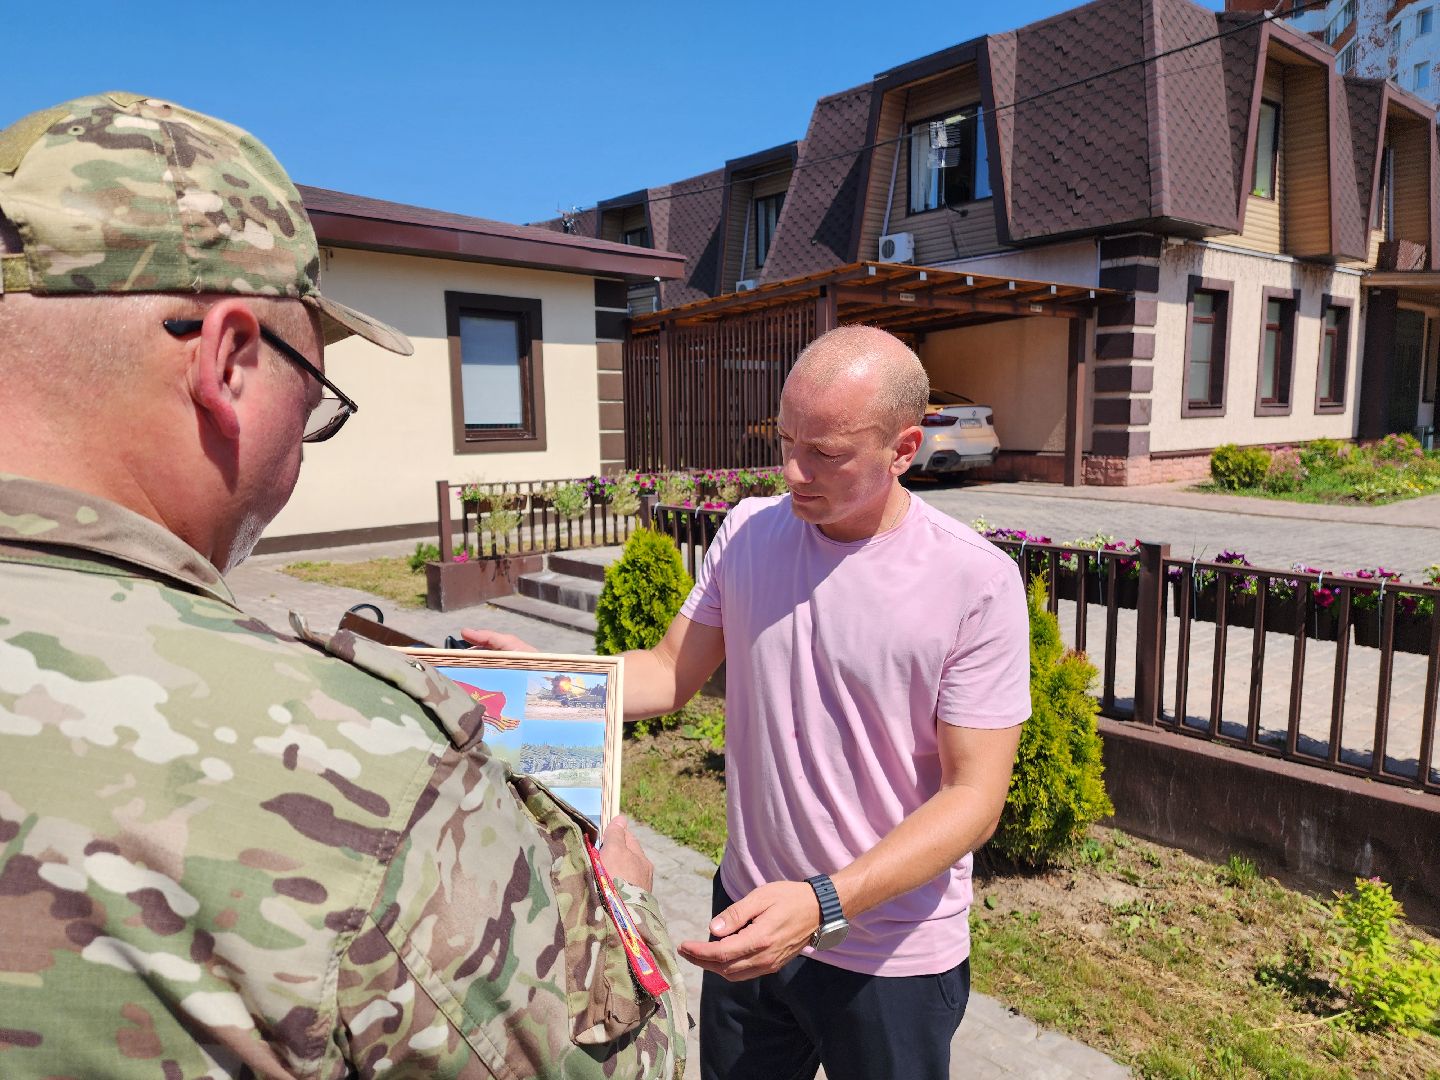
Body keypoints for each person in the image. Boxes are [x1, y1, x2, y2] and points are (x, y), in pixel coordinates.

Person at [0, 92, 685, 1078]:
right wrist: (626, 899)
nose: (304, 442)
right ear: (230, 362)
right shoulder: (372, 778)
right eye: (314, 394)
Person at [468, 325, 1030, 1079]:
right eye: (785, 439)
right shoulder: (747, 532)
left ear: (903, 450)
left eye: (824, 452)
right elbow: (669, 672)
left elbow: (974, 799)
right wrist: (544, 677)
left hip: (889, 952)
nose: (792, 470)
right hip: (748, 918)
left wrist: (824, 903)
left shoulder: (975, 582)